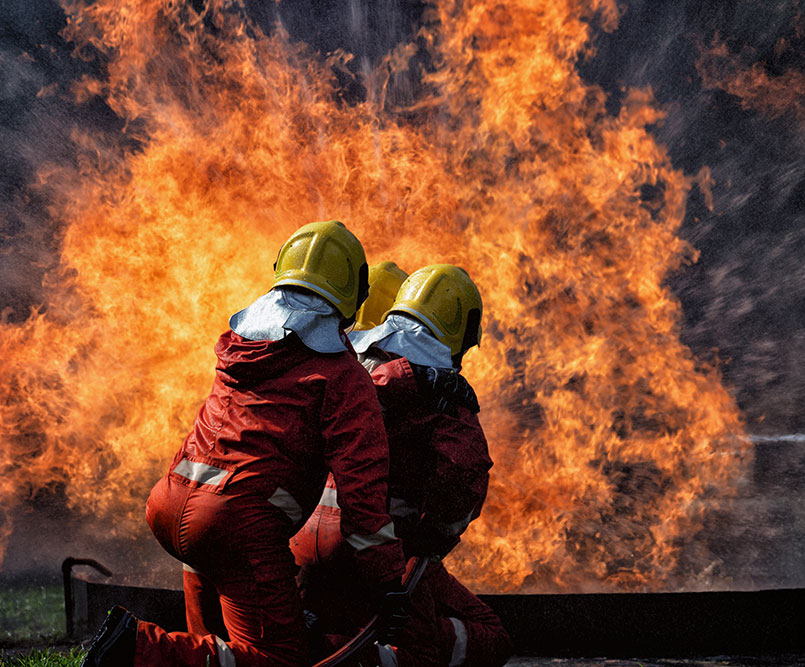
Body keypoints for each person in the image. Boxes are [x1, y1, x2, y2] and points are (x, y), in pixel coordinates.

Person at [81, 220, 407, 667]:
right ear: (353, 292)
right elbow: (362, 494)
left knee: (222, 653)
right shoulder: (342, 378)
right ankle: (135, 650)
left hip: (172, 500)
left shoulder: (242, 348)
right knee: (279, 659)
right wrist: (389, 580)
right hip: (234, 526)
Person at [291, 264, 513, 667]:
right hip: (382, 551)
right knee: (463, 643)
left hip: (304, 535)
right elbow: (461, 480)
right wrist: (428, 540)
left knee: (331, 619)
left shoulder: (341, 357)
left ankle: (318, 645)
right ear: (461, 330)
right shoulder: (445, 397)